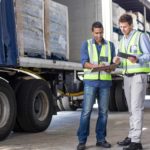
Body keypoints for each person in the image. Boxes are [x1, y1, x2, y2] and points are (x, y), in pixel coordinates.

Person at [77, 21, 116, 150]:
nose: (99, 35)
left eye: (100, 33)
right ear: (92, 32)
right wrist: (96, 66)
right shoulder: (86, 44)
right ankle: (82, 141)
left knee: (103, 113)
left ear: (103, 31)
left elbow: (112, 65)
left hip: (105, 83)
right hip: (90, 83)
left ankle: (101, 139)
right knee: (86, 112)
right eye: (96, 33)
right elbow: (84, 63)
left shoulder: (110, 45)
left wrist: (111, 67)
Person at [113, 14, 150, 150]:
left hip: (138, 76)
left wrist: (138, 59)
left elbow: (148, 55)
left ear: (131, 25)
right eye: (121, 27)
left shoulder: (141, 36)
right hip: (127, 77)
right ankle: (131, 135)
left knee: (136, 108)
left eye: (125, 27)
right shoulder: (122, 40)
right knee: (131, 109)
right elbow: (123, 58)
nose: (122, 29)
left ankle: (136, 141)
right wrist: (117, 61)